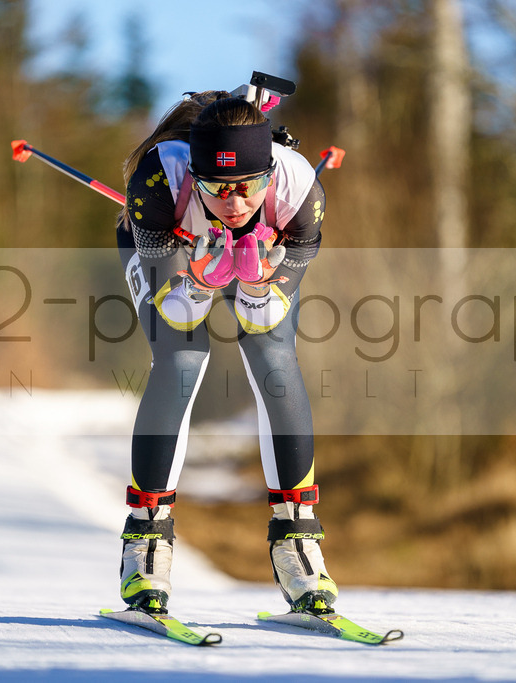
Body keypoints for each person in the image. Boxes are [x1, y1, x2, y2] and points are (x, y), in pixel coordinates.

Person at [115, 89, 337, 615]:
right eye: (217, 187)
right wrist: (197, 275)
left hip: (268, 251)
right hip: (175, 244)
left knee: (274, 356)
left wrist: (260, 284)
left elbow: (266, 308)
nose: (234, 203)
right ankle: (145, 543)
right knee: (182, 358)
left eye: (246, 187)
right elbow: (177, 311)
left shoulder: (298, 188)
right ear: (195, 174)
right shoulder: (158, 179)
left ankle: (297, 542)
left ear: (268, 175)